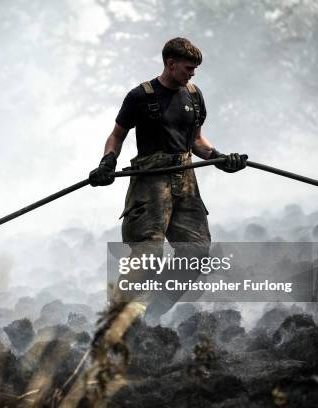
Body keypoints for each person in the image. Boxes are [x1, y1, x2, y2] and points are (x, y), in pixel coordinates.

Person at [89, 37, 247, 323]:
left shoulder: (194, 95)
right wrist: (107, 162)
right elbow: (117, 135)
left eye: (195, 69)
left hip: (185, 182)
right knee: (148, 255)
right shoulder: (141, 96)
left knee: (196, 252)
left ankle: (151, 314)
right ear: (170, 64)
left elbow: (197, 141)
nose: (192, 74)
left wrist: (221, 158)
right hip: (150, 184)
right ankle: (116, 318)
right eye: (188, 68)